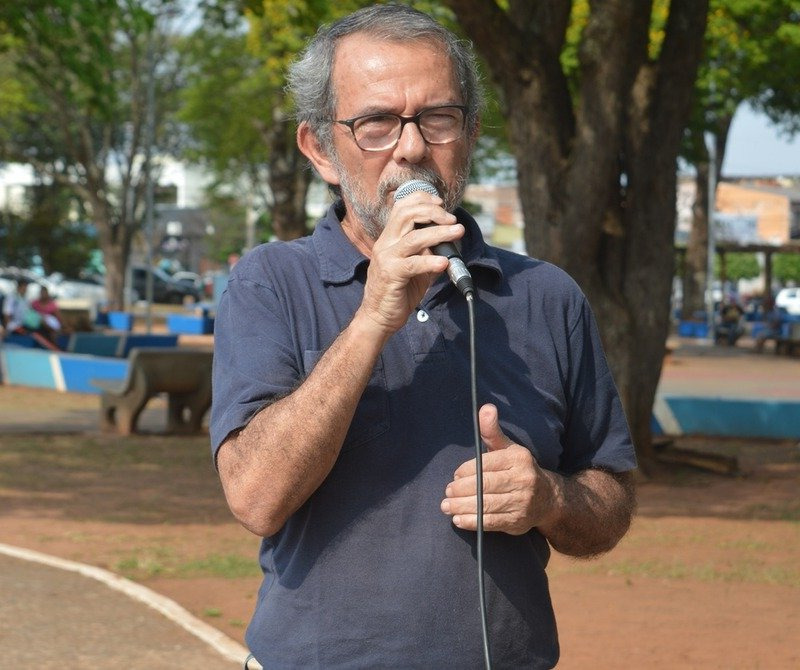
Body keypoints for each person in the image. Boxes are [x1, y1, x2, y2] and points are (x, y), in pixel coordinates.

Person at [211, 5, 636, 668]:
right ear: (321, 149)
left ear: (467, 134)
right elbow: (255, 498)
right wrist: (374, 318)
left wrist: (549, 498)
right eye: (376, 122)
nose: (410, 148)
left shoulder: (549, 298)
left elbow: (609, 504)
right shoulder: (270, 283)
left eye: (436, 118)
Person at [1, 279, 60, 351]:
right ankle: (53, 348)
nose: (25, 289)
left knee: (43, 328)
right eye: (24, 287)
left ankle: (53, 347)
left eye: (26, 288)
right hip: (14, 326)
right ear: (19, 287)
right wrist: (8, 329)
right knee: (38, 333)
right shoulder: (11, 298)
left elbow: (29, 312)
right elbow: (7, 314)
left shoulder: (25, 299)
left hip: (24, 324)